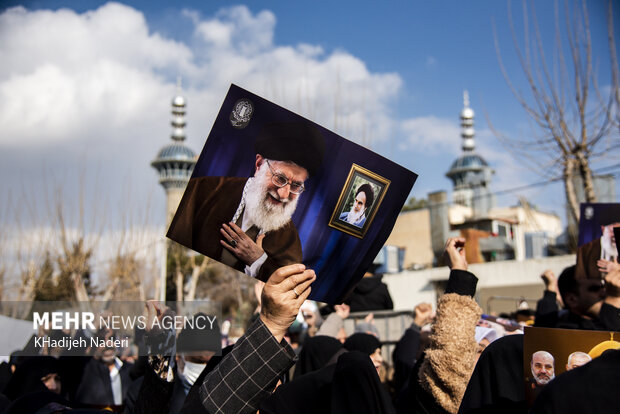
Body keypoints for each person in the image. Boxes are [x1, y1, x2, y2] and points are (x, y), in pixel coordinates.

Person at [167, 122, 325, 282]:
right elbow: (175, 257)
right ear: (258, 165)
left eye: (296, 185)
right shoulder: (202, 191)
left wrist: (258, 261)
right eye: (280, 178)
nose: (284, 194)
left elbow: (288, 288)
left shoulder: (289, 239)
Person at [534, 265, 620, 331]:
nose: (604, 293)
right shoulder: (565, 329)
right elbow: (603, 342)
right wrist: (613, 298)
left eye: (605, 287)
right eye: (595, 289)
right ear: (572, 299)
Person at [576, 207, 620, 279]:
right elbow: (580, 278)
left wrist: (618, 268)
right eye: (612, 231)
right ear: (603, 229)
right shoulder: (586, 249)